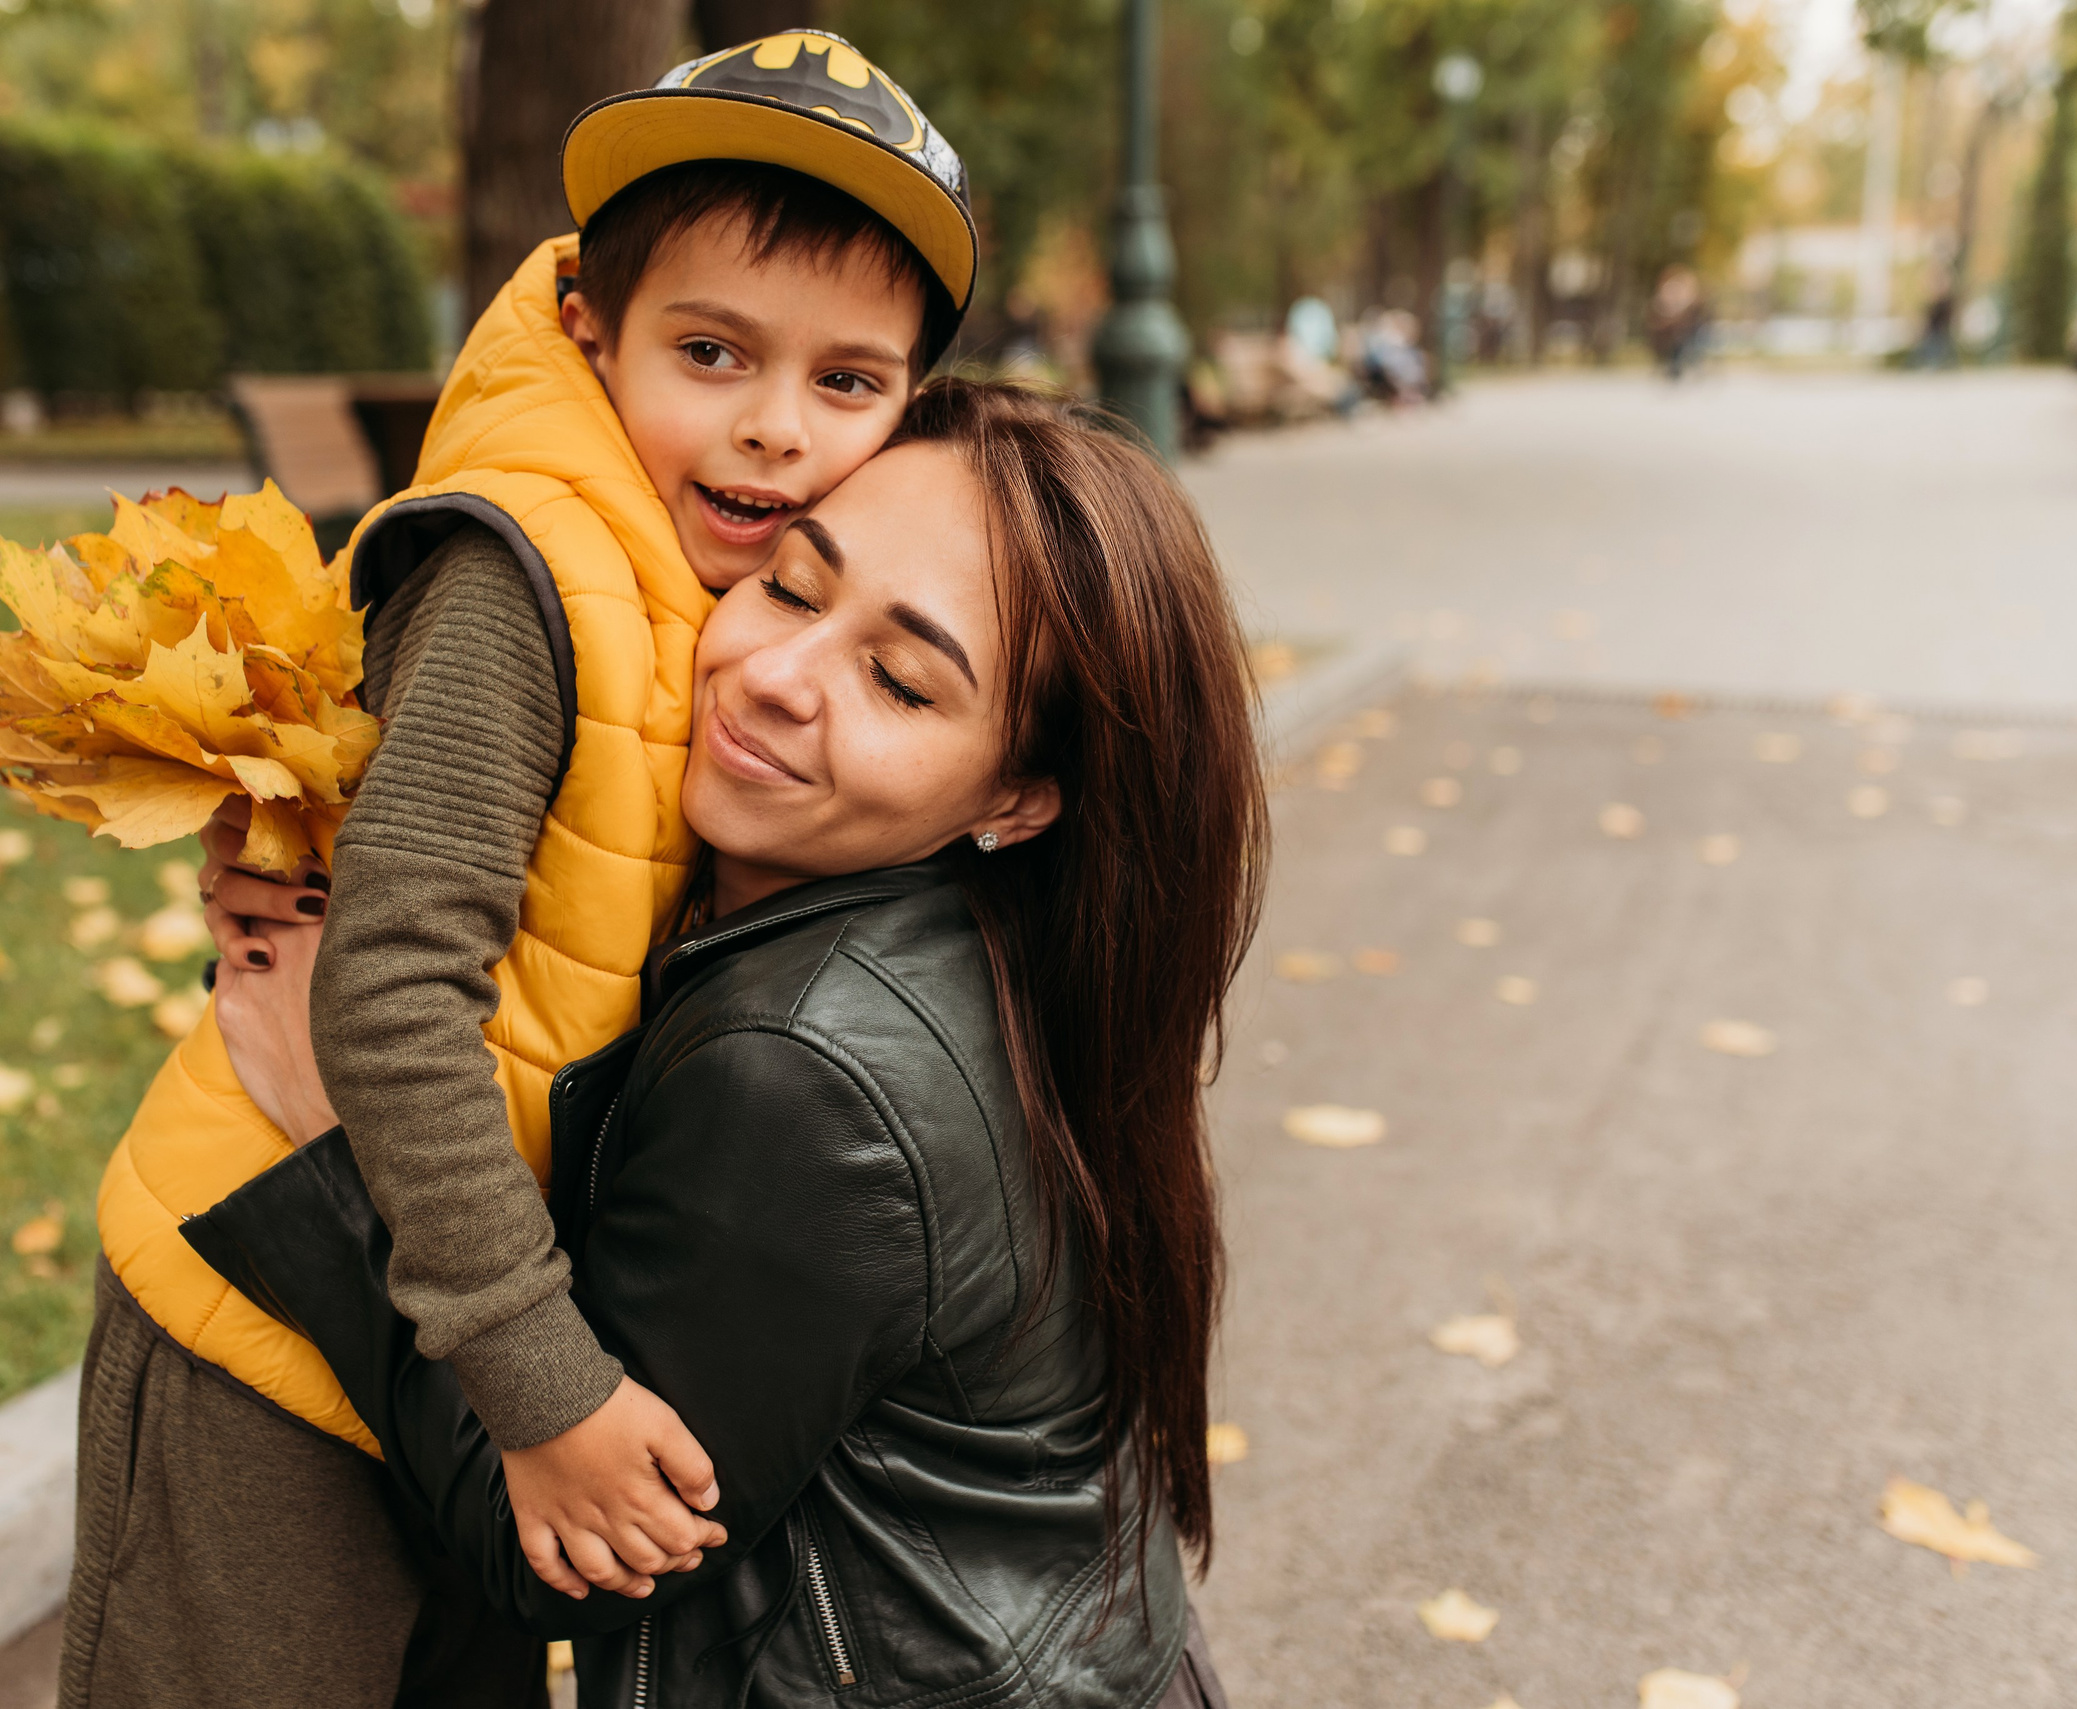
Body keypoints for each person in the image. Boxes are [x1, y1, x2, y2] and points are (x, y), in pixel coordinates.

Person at [62, 31, 983, 1709]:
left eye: (849, 383)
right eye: (712, 351)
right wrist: (542, 1382)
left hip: (420, 1314)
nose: (776, 429)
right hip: (270, 1314)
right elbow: (389, 983)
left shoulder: (717, 588)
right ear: (587, 325)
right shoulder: (526, 575)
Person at [196, 379, 1271, 1708]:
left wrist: (331, 1142)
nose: (773, 677)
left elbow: (571, 1556)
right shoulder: (979, 941)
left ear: (1017, 797)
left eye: (898, 680)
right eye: (792, 586)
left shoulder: (806, 1080)